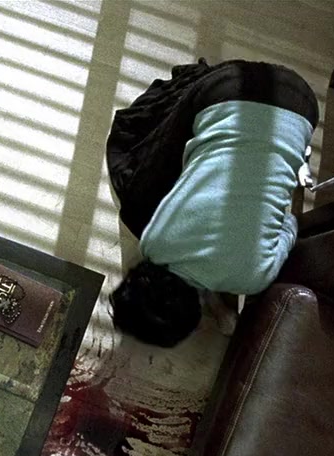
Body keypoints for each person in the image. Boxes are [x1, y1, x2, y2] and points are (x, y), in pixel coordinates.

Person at [106, 59, 319, 347]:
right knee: (145, 194)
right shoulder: (154, 243)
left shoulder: (254, 278)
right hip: (230, 85)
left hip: (302, 105)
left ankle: (292, 151)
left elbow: (291, 223)